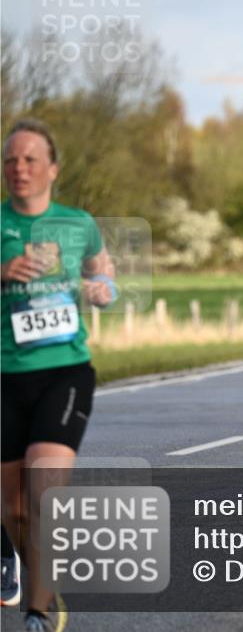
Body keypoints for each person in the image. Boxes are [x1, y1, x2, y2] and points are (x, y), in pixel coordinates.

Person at [2, 119, 117, 632]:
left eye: (29, 159)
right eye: (10, 160)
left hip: (64, 373)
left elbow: (102, 268)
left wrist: (101, 289)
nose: (18, 168)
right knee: (16, 510)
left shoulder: (77, 223)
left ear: (52, 168)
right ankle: (28, 567)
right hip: (5, 377)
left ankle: (38, 611)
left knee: (44, 490)